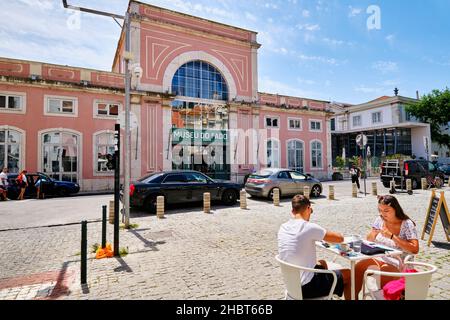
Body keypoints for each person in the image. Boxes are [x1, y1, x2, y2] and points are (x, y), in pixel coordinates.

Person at [278, 195, 352, 300]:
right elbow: (339, 238)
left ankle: (329, 294)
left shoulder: (283, 227)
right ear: (308, 208)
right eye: (311, 211)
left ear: (292, 211)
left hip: (292, 284)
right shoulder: (308, 227)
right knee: (348, 274)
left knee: (322, 263)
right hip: (306, 287)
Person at [354, 195, 419, 299]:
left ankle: (384, 296)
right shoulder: (379, 220)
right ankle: (354, 297)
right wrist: (373, 233)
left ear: (395, 209)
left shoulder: (406, 223)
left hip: (400, 263)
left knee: (383, 271)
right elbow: (369, 240)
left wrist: (392, 236)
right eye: (380, 210)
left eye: (386, 211)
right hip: (381, 257)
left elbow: (415, 249)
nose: (382, 214)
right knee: (357, 268)